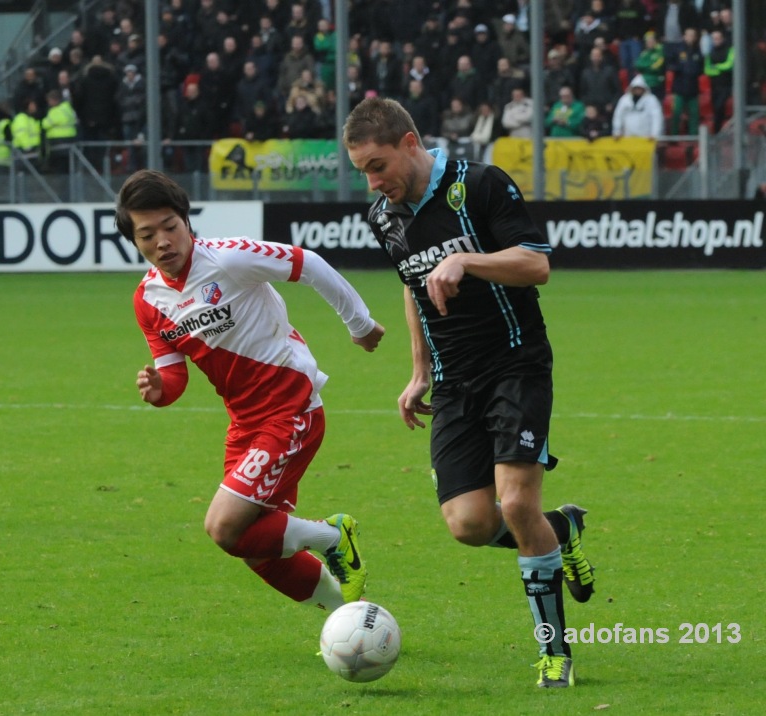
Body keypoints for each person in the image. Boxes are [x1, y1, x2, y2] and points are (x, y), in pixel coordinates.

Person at [342, 97, 595, 689]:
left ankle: (554, 653)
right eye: (363, 172)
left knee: (515, 504)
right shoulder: (384, 216)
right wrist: (419, 371)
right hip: (454, 380)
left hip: (516, 364)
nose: (374, 181)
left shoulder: (478, 185)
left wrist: (467, 260)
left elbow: (536, 266)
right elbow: (413, 287)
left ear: (410, 143)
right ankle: (564, 532)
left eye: (378, 165)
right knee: (470, 524)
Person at [116, 169, 385, 615]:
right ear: (135, 241)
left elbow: (309, 264)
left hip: (291, 408)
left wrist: (358, 323)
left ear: (187, 223)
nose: (162, 241)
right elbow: (174, 377)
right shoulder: (148, 300)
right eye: (147, 234)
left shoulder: (229, 260)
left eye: (170, 226)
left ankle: (334, 536)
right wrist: (159, 390)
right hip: (245, 423)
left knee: (223, 528)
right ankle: (353, 621)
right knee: (253, 547)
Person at [611, 74, 665, 138]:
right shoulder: (624, 99)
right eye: (635, 88)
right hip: (627, 138)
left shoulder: (651, 100)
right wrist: (617, 131)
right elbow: (618, 115)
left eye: (639, 88)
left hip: (647, 138)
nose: (637, 90)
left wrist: (655, 133)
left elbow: (656, 117)